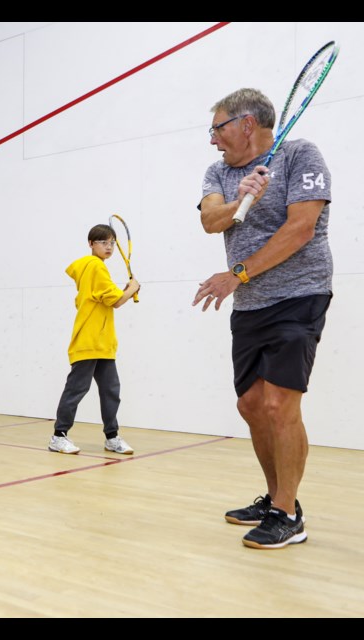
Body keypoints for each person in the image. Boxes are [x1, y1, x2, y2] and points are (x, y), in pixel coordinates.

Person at [192, 88, 332, 550]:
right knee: (251, 406)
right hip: (249, 305)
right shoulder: (220, 172)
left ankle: (289, 514)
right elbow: (211, 221)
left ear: (246, 124)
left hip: (299, 296)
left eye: (218, 128)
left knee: (279, 405)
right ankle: (275, 498)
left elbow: (301, 228)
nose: (213, 140)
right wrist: (240, 200)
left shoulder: (300, 155)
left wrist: (239, 273)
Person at [49, 224, 140, 456]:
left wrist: (125, 291)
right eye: (103, 242)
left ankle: (112, 437)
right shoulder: (95, 266)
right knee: (77, 389)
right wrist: (133, 288)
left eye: (111, 243)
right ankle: (58, 437)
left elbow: (107, 297)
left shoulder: (91, 269)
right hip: (90, 340)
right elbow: (116, 301)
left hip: (102, 341)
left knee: (111, 390)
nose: (108, 247)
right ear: (91, 244)